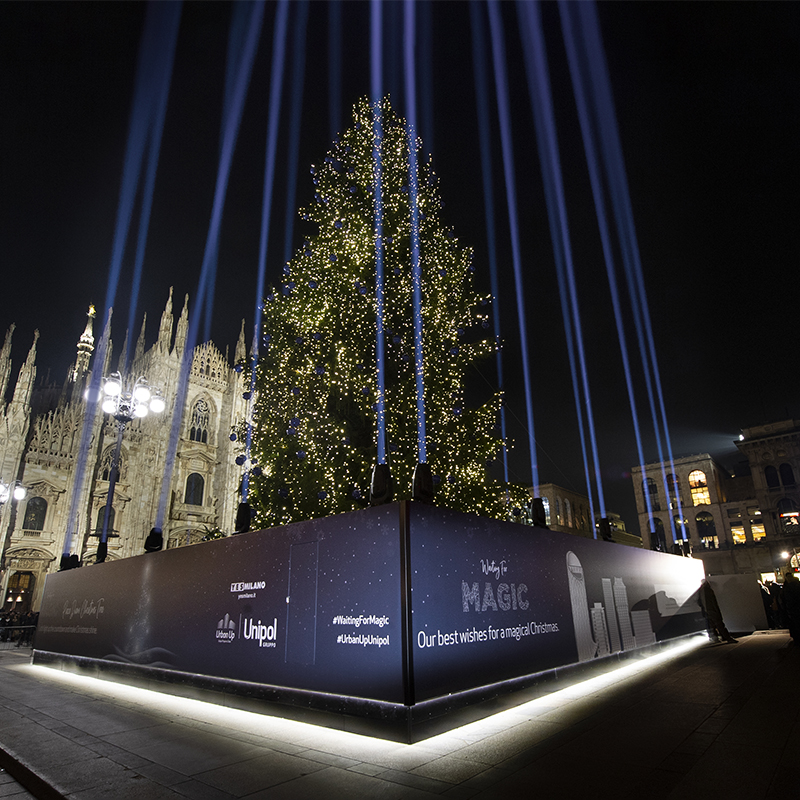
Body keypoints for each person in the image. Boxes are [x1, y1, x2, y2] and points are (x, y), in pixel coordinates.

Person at [698, 578, 737, 644]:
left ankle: (715, 638)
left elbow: (699, 602)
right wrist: (717, 611)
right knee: (720, 625)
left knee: (712, 626)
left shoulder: (700, 591)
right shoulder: (709, 590)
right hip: (712, 611)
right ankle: (727, 638)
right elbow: (713, 602)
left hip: (706, 611)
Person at [780, 572, 800, 643]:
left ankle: (796, 639)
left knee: (794, 624)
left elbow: (786, 599)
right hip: (795, 608)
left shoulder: (787, 587)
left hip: (792, 609)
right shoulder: (797, 585)